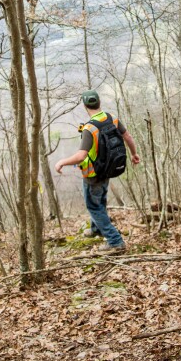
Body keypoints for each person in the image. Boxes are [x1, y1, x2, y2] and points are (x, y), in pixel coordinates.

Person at [55, 90, 141, 253]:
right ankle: (97, 229)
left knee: (94, 206)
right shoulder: (111, 118)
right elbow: (128, 137)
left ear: (85, 106)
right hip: (108, 169)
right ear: (99, 102)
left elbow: (81, 156)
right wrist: (134, 154)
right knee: (99, 201)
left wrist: (62, 162)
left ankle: (115, 241)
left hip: (93, 174)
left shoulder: (90, 128)